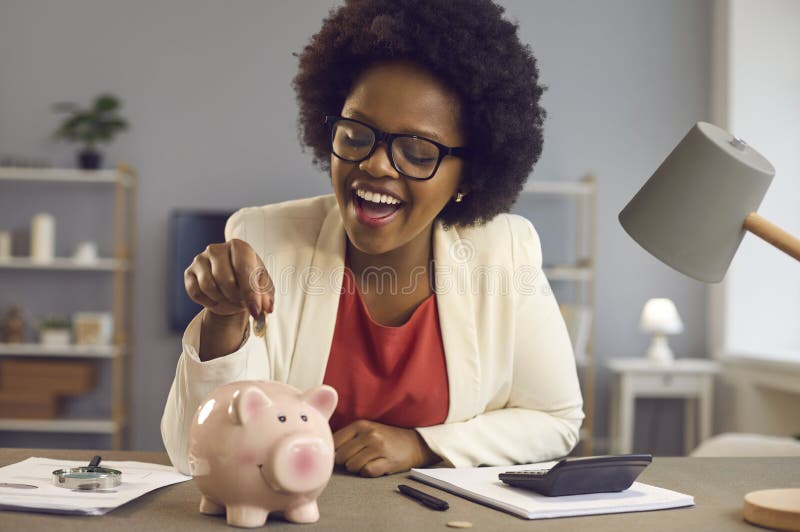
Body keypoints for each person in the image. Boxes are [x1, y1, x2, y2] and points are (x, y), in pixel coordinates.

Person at [162, 0, 583, 477]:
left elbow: (556, 421)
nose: (376, 164)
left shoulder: (504, 251)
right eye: (357, 134)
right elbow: (192, 454)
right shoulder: (263, 241)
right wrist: (224, 319)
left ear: (470, 175)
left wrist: (422, 446)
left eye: (418, 151)